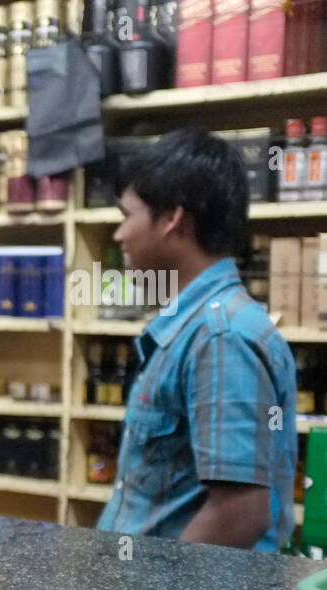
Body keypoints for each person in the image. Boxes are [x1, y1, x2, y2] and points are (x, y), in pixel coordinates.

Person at [97, 129, 296, 551]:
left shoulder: (219, 337)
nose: (119, 235)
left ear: (172, 219)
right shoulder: (194, 328)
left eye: (126, 215)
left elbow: (240, 511)